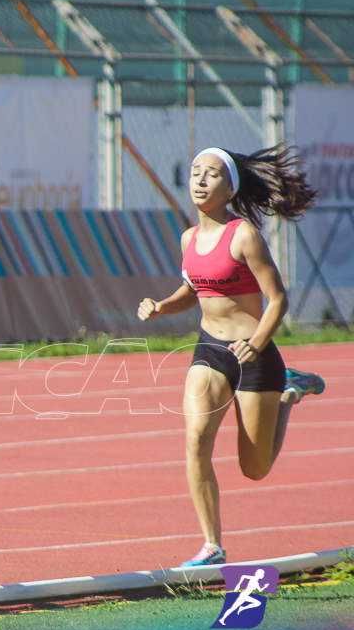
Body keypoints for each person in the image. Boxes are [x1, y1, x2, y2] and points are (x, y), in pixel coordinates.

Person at [137, 144, 325, 567]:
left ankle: (290, 392)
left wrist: (256, 344)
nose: (200, 180)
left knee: (254, 469)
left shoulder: (244, 236)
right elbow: (197, 288)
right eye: (195, 172)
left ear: (230, 187)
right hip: (209, 350)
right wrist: (163, 306)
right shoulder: (188, 238)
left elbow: (277, 300)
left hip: (255, 358)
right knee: (195, 440)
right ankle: (212, 546)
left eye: (212, 174)